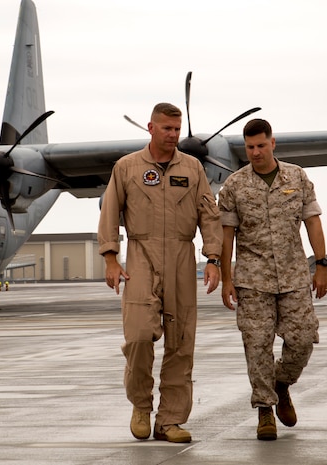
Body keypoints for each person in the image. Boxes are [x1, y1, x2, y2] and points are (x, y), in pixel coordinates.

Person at [97, 102, 223, 443]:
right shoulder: (127, 167)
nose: (173, 135)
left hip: (183, 257)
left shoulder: (193, 168)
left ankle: (170, 421)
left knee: (181, 344)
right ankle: (141, 405)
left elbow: (209, 216)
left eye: (177, 129)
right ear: (150, 128)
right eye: (166, 129)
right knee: (138, 337)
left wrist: (213, 258)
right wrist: (111, 257)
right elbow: (110, 211)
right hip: (141, 256)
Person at [218, 118, 327, 441]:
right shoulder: (235, 186)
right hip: (252, 280)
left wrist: (321, 265)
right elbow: (227, 236)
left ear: (272, 143)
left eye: (261, 146)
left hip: (295, 276)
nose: (255, 152)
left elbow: (313, 223)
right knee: (257, 346)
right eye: (250, 147)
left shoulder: (296, 177)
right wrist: (227, 278)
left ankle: (282, 383)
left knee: (303, 339)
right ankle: (265, 409)